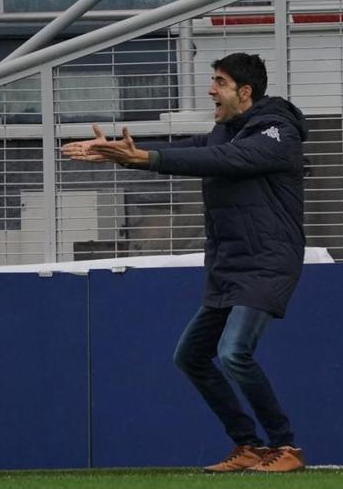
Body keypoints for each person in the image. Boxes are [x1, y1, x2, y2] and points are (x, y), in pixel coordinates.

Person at [61, 53, 307, 473]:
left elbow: (221, 161)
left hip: (268, 261)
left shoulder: (277, 133)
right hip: (229, 264)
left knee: (233, 353)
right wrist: (126, 151)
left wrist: (146, 160)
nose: (211, 89)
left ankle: (285, 447)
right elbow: (188, 151)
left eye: (219, 82)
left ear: (244, 92)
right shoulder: (223, 132)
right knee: (191, 355)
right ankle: (247, 445)